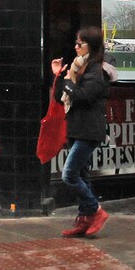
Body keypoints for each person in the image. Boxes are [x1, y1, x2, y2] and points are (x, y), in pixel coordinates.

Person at [52, 26, 112, 237]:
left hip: (89, 130)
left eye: (80, 44)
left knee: (69, 174)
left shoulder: (96, 70)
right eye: (76, 44)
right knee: (82, 175)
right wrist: (60, 76)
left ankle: (96, 211)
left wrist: (68, 81)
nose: (76, 47)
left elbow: (83, 96)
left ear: (91, 46)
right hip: (77, 128)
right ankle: (84, 219)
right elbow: (61, 97)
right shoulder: (79, 67)